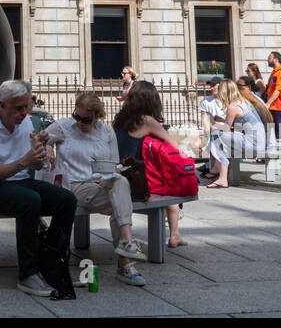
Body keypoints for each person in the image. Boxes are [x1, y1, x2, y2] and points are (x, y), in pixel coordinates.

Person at [0, 79, 78, 297]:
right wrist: (25, 161)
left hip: (19, 181)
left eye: (27, 106)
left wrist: (42, 153)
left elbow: (35, 165)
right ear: (2, 105)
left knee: (67, 199)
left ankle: (54, 261)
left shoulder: (26, 122)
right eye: (18, 108)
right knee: (29, 200)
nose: (24, 112)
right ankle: (28, 273)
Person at [41, 91, 147, 287]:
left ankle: (126, 243)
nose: (80, 122)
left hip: (102, 182)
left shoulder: (106, 131)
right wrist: (47, 146)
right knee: (121, 203)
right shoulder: (64, 126)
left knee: (121, 184)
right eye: (77, 117)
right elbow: (40, 138)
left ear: (97, 116)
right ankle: (125, 262)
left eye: (86, 119)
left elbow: (114, 164)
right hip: (75, 185)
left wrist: (110, 172)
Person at [113, 81, 187, 250]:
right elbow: (173, 146)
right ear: (152, 100)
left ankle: (175, 234)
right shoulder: (146, 120)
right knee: (170, 183)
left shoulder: (120, 119)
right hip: (136, 180)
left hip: (121, 174)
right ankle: (174, 234)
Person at [205, 78, 269, 188]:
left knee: (216, 136)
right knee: (220, 140)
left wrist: (212, 125)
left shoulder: (232, 107)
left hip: (253, 145)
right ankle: (221, 176)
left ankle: (219, 173)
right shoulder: (242, 102)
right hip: (259, 142)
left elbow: (226, 129)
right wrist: (220, 121)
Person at [263, 51, 281, 149]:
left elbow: (278, 90)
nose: (268, 60)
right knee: (273, 131)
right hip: (274, 107)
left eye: (269, 58)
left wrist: (268, 103)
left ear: (275, 60)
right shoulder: (275, 72)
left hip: (280, 107)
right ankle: (272, 151)